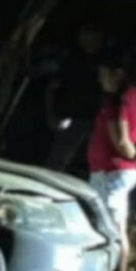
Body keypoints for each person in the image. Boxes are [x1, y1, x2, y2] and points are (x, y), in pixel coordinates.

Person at [87, 51, 136, 271]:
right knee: (115, 228)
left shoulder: (119, 101)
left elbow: (123, 142)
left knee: (110, 230)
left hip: (112, 172)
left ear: (119, 74)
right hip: (116, 172)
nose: (100, 79)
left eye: (104, 74)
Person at [45, 24, 106, 175]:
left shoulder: (106, 59)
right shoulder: (72, 59)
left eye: (89, 34)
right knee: (57, 161)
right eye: (82, 35)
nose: (85, 39)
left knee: (97, 163)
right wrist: (51, 115)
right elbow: (52, 87)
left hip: (98, 120)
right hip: (72, 118)